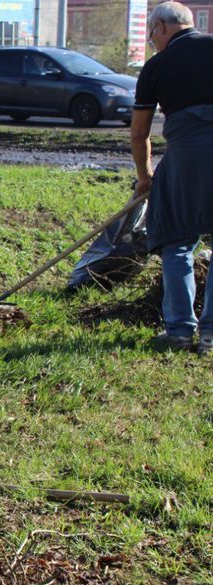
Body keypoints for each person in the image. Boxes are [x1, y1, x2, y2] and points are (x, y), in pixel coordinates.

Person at [131, 1, 213, 354]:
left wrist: (145, 176)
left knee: (178, 243)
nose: (152, 41)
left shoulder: (157, 66)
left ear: (161, 27)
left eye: (152, 35)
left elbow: (139, 134)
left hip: (187, 157)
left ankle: (180, 330)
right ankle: (211, 336)